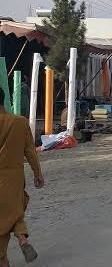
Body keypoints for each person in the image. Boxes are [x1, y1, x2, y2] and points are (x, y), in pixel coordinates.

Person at [0, 88, 44, 266]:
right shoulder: (20, 122)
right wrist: (37, 173)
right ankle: (22, 239)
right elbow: (30, 152)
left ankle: (3, 259)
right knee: (15, 212)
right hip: (14, 179)